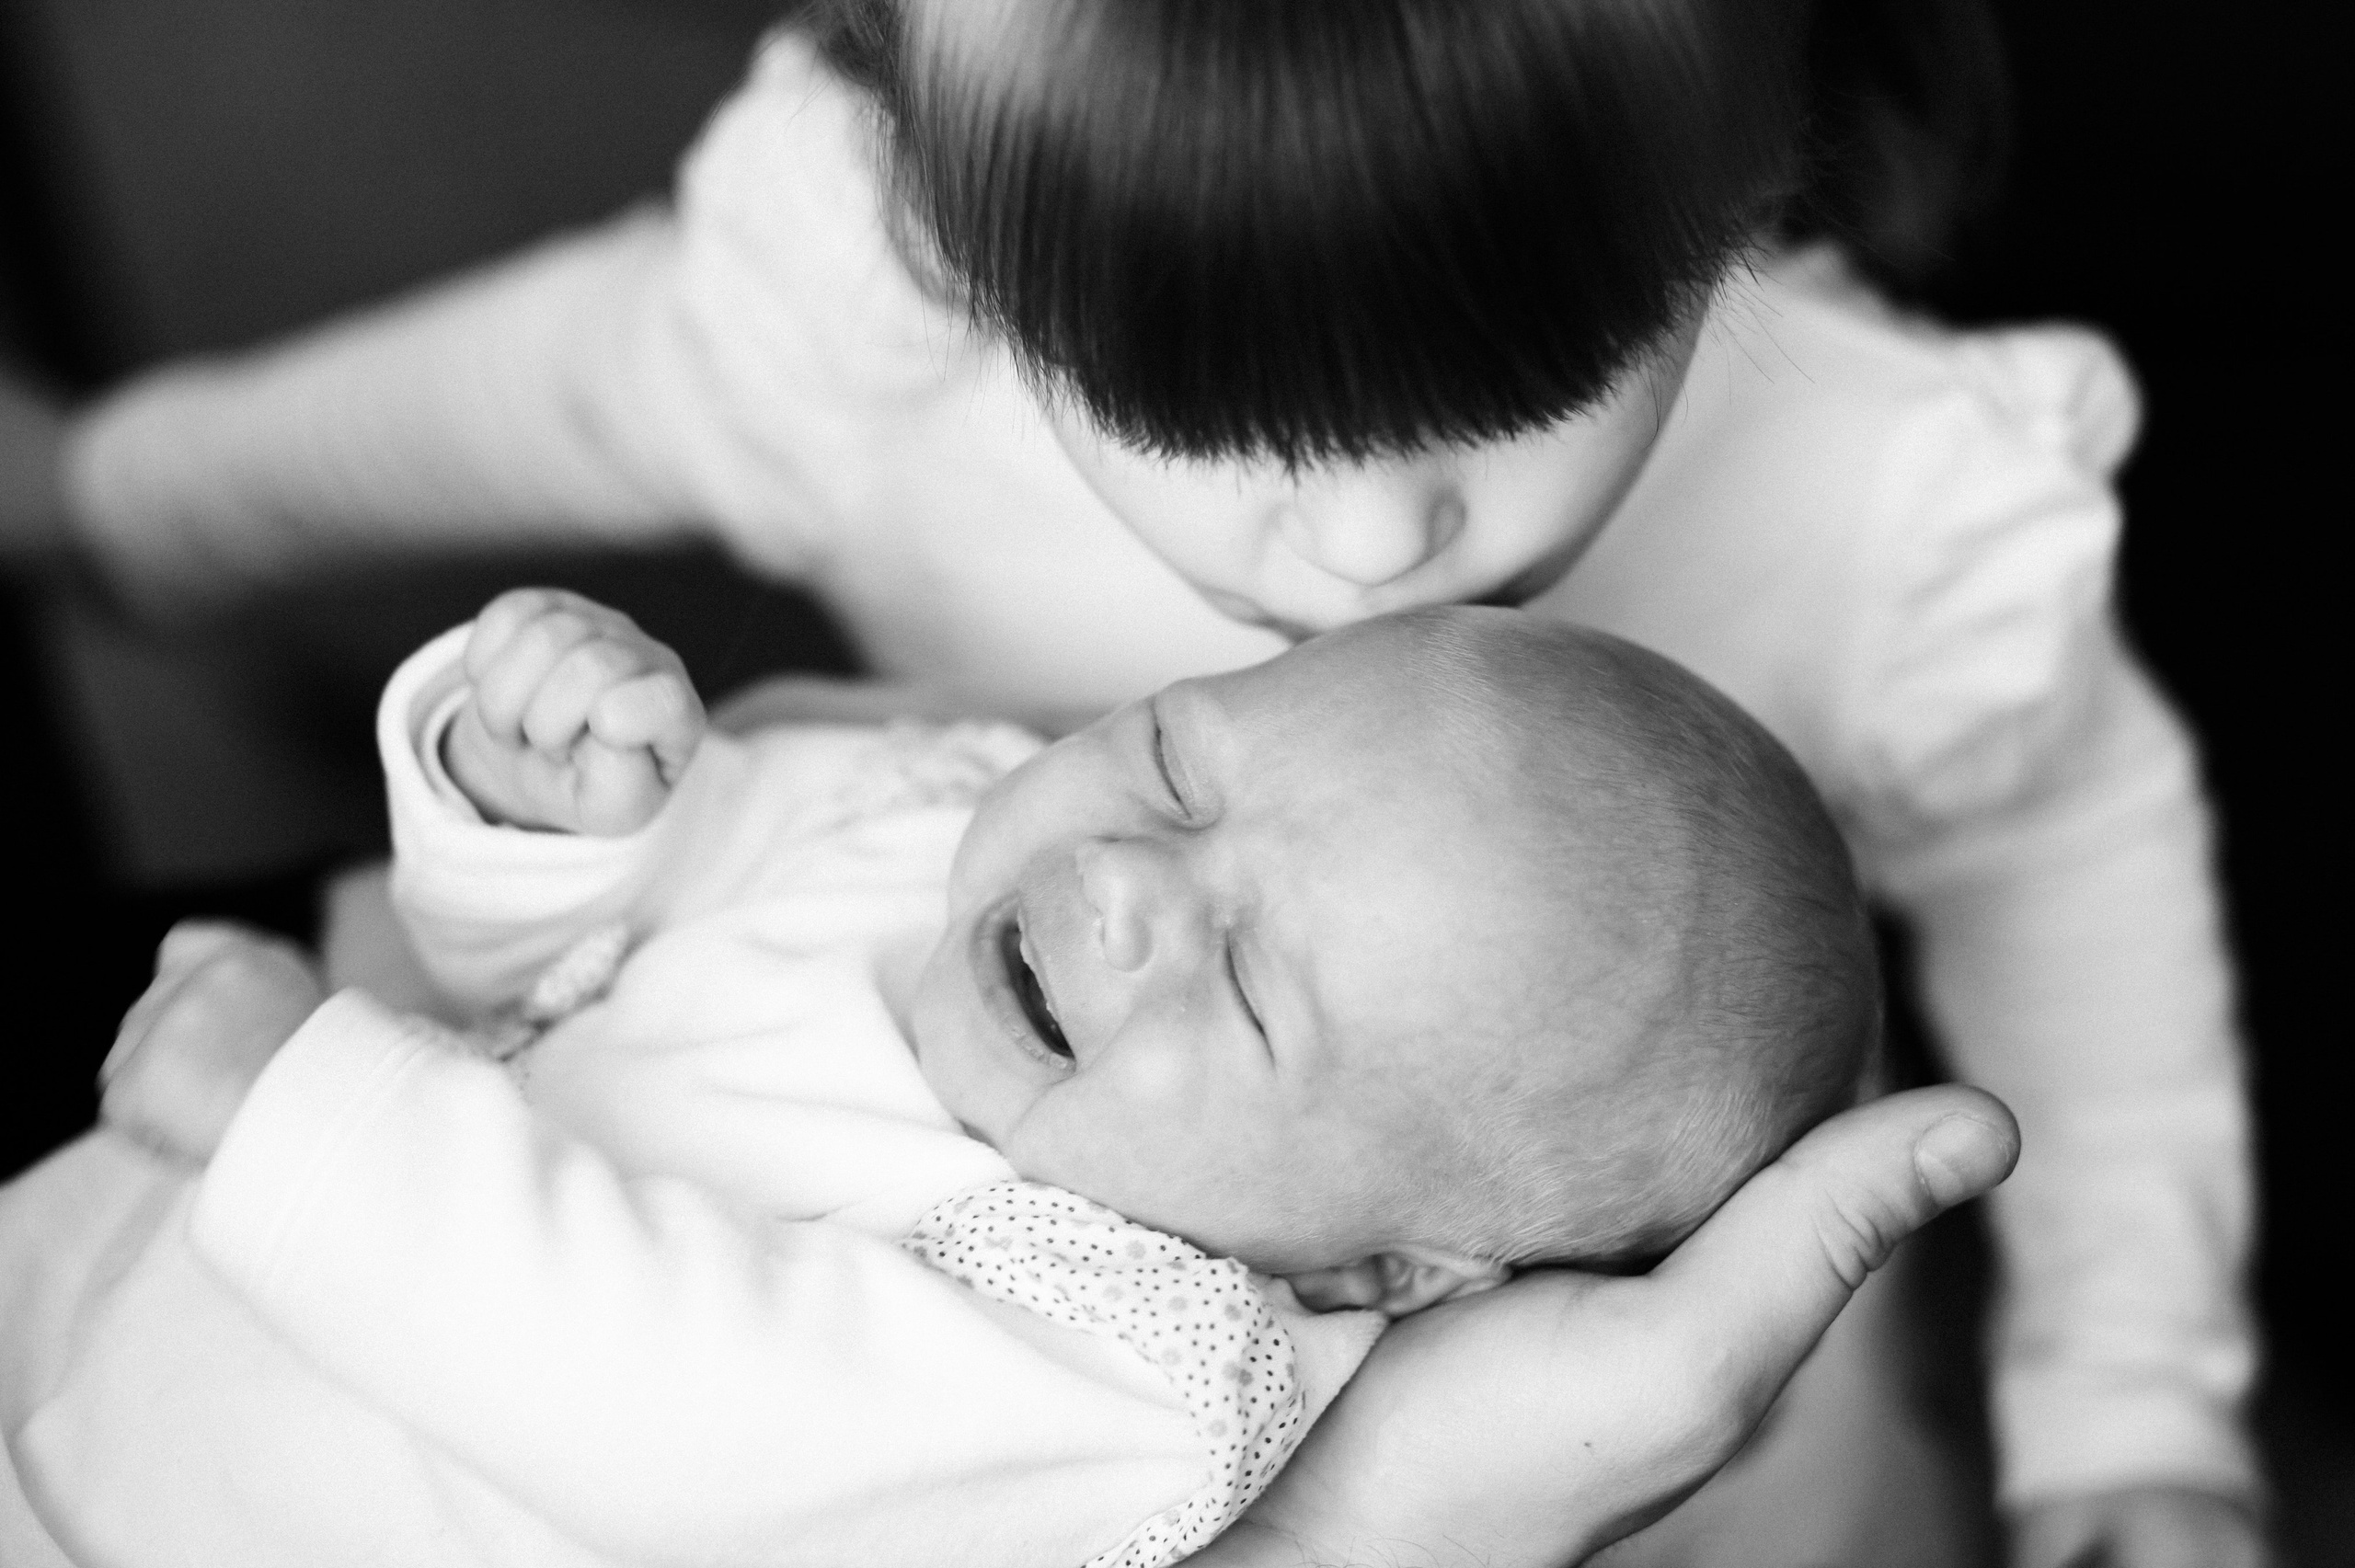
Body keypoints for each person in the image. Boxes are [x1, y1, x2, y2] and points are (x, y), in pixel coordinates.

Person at [0, 2, 2257, 1562]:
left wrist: (2127, 1387)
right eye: (1209, 417)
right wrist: (113, 506)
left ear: (1741, 169)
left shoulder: (1883, 502)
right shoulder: (880, 313)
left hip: (1577, 1364)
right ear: (952, 221)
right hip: (745, 1054)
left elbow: (2068, 867)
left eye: (1526, 378)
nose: (1366, 547)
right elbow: (542, 401)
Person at [33, 590, 1879, 1566]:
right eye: (1179, 769)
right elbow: (564, 961)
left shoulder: (1141, 1374)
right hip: (110, 1278)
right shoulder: (935, 812)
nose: (1127, 885)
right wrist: (545, 812)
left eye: (1246, 985)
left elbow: (686, 1410)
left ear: (1384, 1265)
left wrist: (299, 1115)